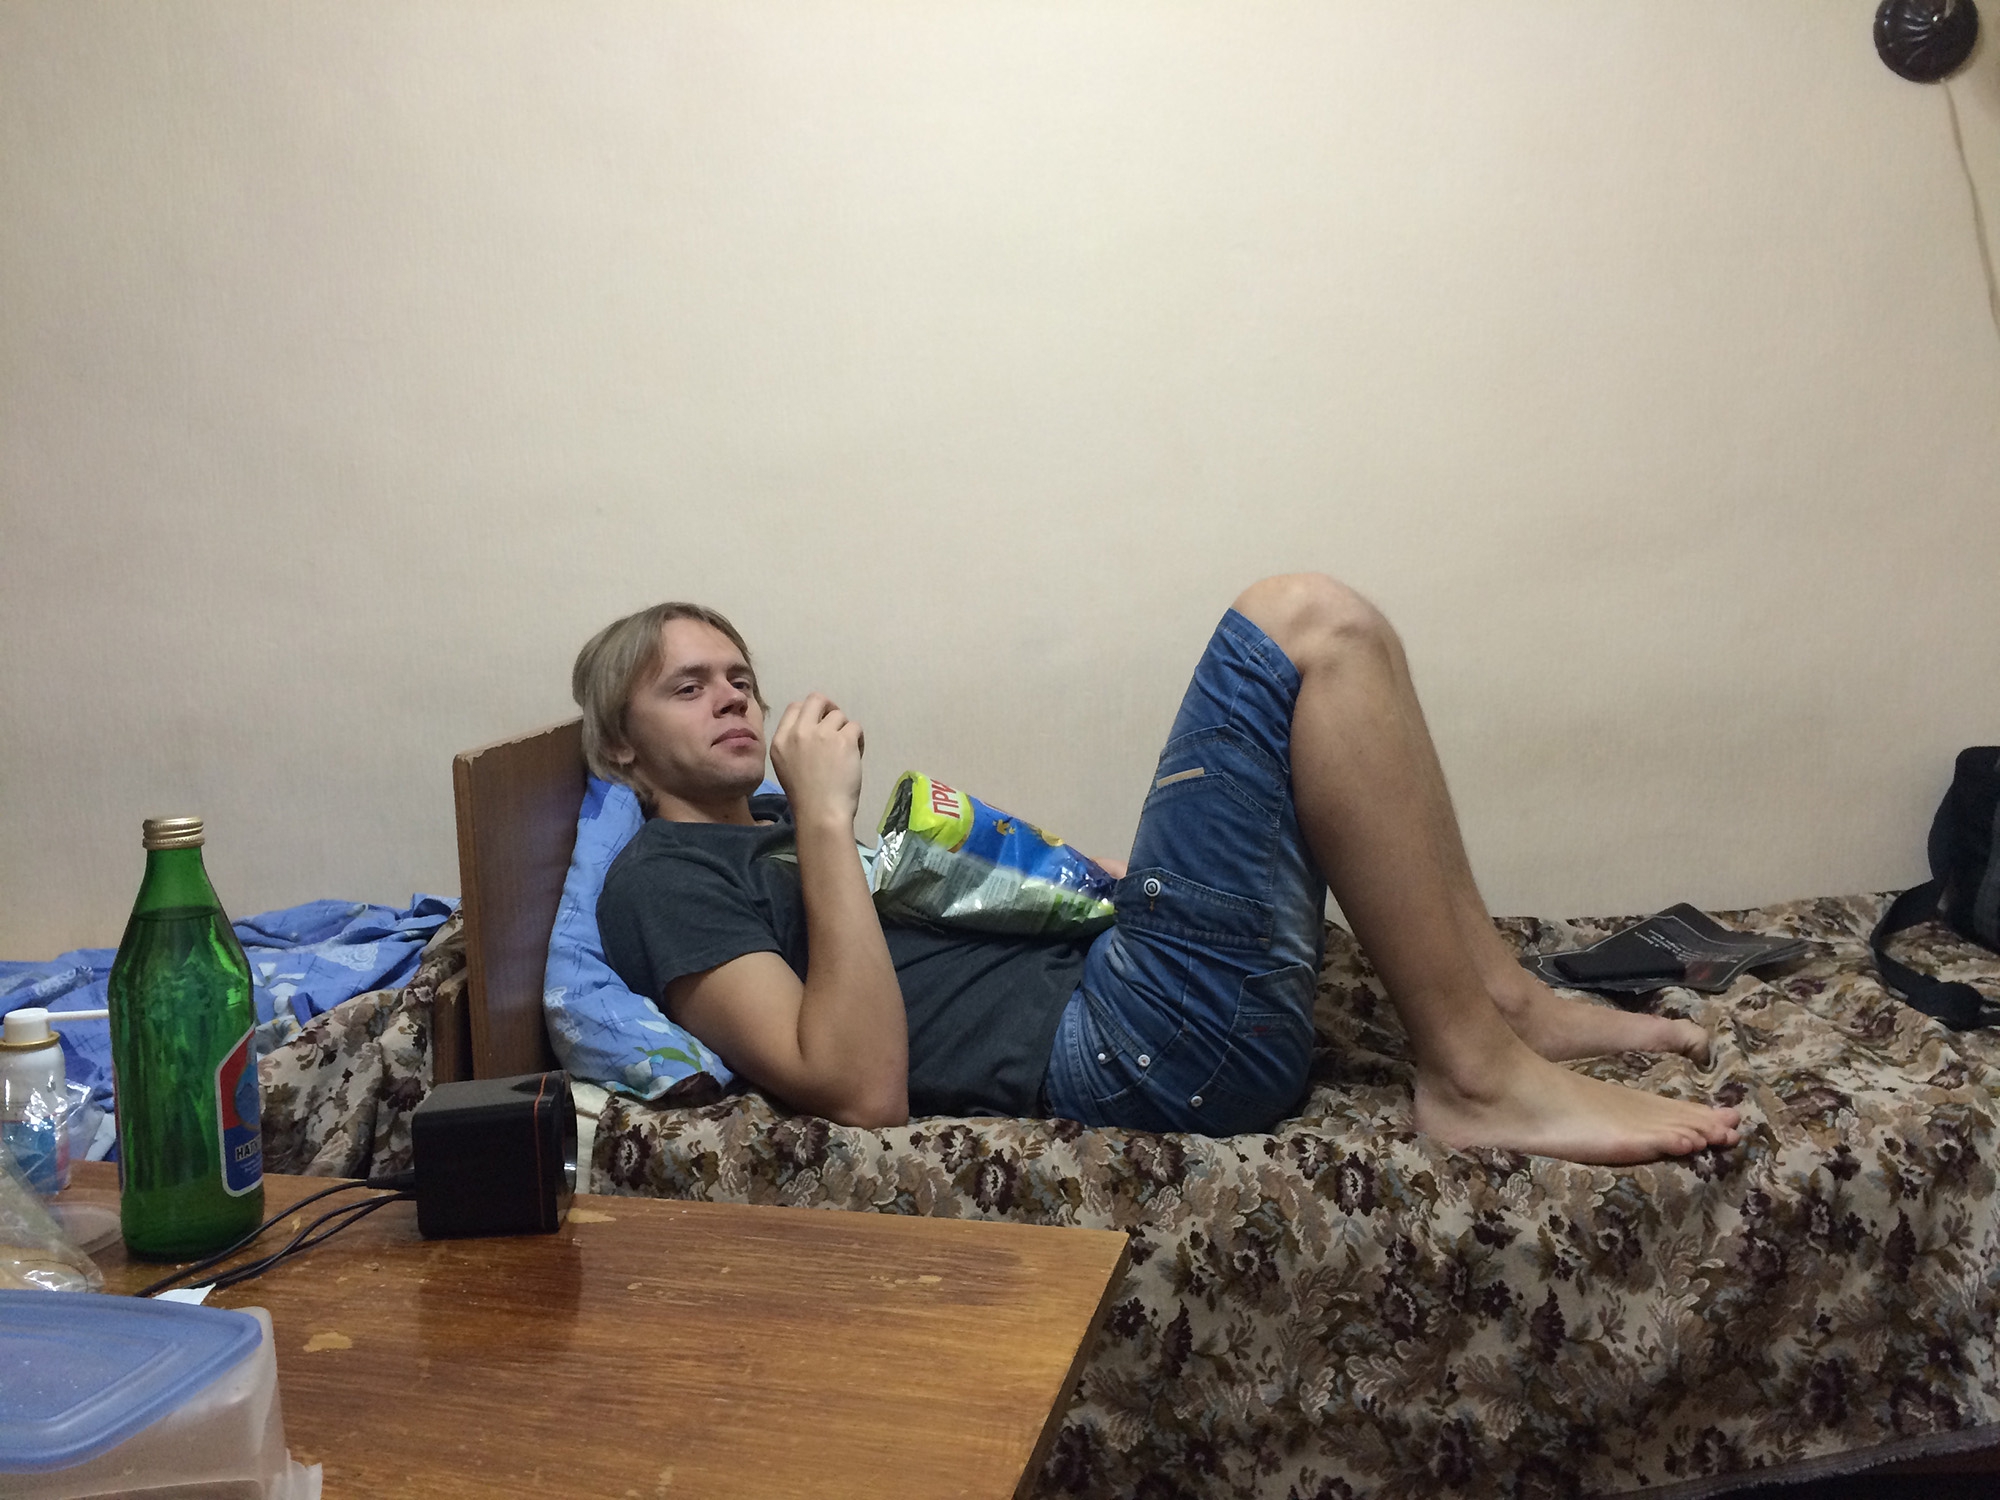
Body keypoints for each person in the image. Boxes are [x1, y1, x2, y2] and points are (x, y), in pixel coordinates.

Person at [584, 575, 1742, 1165]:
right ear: (618, 748)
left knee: (1356, 646)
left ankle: (1501, 1003)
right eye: (687, 687)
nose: (733, 697)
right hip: (1134, 1049)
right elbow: (856, 1089)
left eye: (739, 677)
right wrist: (828, 820)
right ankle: (1477, 1081)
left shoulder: (773, 824)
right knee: (1304, 623)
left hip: (1131, 979)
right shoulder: (660, 879)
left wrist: (1088, 886)